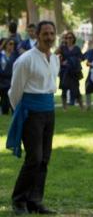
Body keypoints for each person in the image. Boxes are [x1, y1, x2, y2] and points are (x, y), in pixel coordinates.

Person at [6, 21, 60, 215]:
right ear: (37, 35)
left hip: (49, 111)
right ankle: (19, 200)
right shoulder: (25, 60)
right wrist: (21, 113)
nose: (49, 37)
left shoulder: (54, 59)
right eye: (45, 33)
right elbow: (14, 92)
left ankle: (35, 201)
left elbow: (51, 86)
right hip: (31, 113)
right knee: (34, 158)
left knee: (44, 159)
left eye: (52, 33)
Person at [56, 31, 84, 110]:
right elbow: (54, 54)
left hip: (74, 71)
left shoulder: (76, 48)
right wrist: (61, 61)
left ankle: (82, 107)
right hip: (65, 71)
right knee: (64, 89)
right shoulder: (63, 48)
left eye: (70, 37)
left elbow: (81, 58)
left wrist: (73, 61)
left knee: (76, 89)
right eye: (67, 38)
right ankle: (64, 107)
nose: (69, 39)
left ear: (73, 39)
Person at [0, 38, 17, 115]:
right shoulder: (1, 55)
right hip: (2, 81)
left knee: (12, 98)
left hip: (12, 80)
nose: (12, 46)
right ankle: (4, 111)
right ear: (5, 45)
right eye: (10, 44)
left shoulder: (15, 55)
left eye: (13, 44)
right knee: (4, 99)